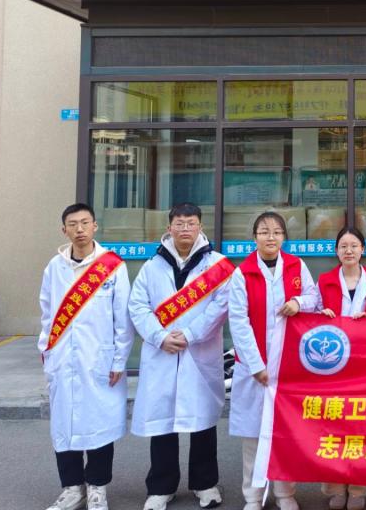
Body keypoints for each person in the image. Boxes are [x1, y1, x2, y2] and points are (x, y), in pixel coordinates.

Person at [129, 202, 234, 510]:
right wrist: (159, 336)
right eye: (179, 223)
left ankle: (205, 484)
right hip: (162, 352)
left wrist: (189, 334)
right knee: (163, 423)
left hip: (199, 354)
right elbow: (138, 306)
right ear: (169, 227)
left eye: (191, 223)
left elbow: (221, 306)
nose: (185, 228)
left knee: (202, 422)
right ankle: (161, 488)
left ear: (200, 226)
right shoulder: (152, 266)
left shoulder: (218, 266)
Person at [38, 203, 133, 510]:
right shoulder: (55, 267)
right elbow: (47, 313)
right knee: (64, 426)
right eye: (72, 224)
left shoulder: (113, 266)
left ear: (95, 226)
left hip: (99, 360)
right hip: (63, 359)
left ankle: (97, 488)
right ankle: (71, 488)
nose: (79, 229)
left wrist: (119, 359)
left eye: (84, 223)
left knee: (99, 426)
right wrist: (46, 350)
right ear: (63, 230)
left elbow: (123, 318)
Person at [229, 211, 319, 510]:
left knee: (285, 433)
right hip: (254, 366)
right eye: (264, 232)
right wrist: (256, 366)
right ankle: (253, 497)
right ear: (254, 237)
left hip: (289, 365)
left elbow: (314, 297)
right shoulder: (243, 273)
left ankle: (284, 494)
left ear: (284, 237)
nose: (271, 237)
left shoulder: (296, 266)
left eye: (277, 232)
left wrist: (297, 302)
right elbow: (238, 322)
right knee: (253, 436)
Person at [314, 225, 366, 510]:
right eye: (343, 246)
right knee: (332, 426)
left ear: (363, 249)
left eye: (354, 246)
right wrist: (321, 315)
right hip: (332, 364)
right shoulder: (325, 280)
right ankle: (334, 487)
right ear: (336, 251)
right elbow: (311, 313)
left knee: (361, 426)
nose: (349, 251)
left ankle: (357, 488)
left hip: (365, 363)